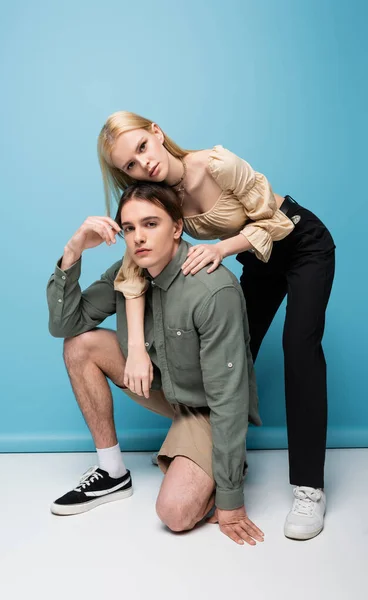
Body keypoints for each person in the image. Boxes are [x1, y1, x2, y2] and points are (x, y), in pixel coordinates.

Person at [97, 111, 336, 541]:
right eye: (129, 165)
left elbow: (276, 223)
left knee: (298, 350)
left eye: (142, 147)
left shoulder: (215, 164)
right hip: (255, 260)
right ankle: (222, 462)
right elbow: (133, 274)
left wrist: (222, 249)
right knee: (233, 359)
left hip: (300, 244)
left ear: (157, 132)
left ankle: (309, 487)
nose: (143, 163)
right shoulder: (158, 200)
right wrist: (134, 347)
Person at [47, 182, 264, 546]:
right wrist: (73, 251)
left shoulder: (213, 290)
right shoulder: (128, 270)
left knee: (175, 514)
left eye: (151, 224)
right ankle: (112, 472)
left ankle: (220, 462)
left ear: (177, 227)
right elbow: (64, 325)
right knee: (80, 345)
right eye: (129, 228)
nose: (138, 238)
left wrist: (231, 502)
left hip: (208, 409)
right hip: (165, 390)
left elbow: (229, 398)